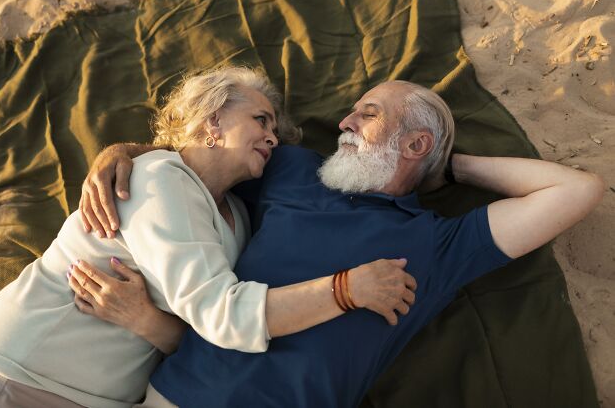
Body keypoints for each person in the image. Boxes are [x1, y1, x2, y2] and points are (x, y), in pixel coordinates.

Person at [75, 80, 604, 407]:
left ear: (414, 143)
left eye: (369, 113)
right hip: (181, 395)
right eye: (353, 110)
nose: (346, 122)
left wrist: (447, 167)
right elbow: (201, 155)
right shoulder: (292, 170)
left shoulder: (438, 242)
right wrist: (120, 153)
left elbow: (577, 189)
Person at [0, 68, 419, 408]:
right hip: (17, 376)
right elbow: (225, 314)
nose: (273, 136)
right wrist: (346, 289)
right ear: (212, 121)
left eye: (275, 128)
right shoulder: (154, 179)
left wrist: (148, 322)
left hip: (94, 394)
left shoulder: (237, 219)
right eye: (260, 120)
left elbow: (207, 335)